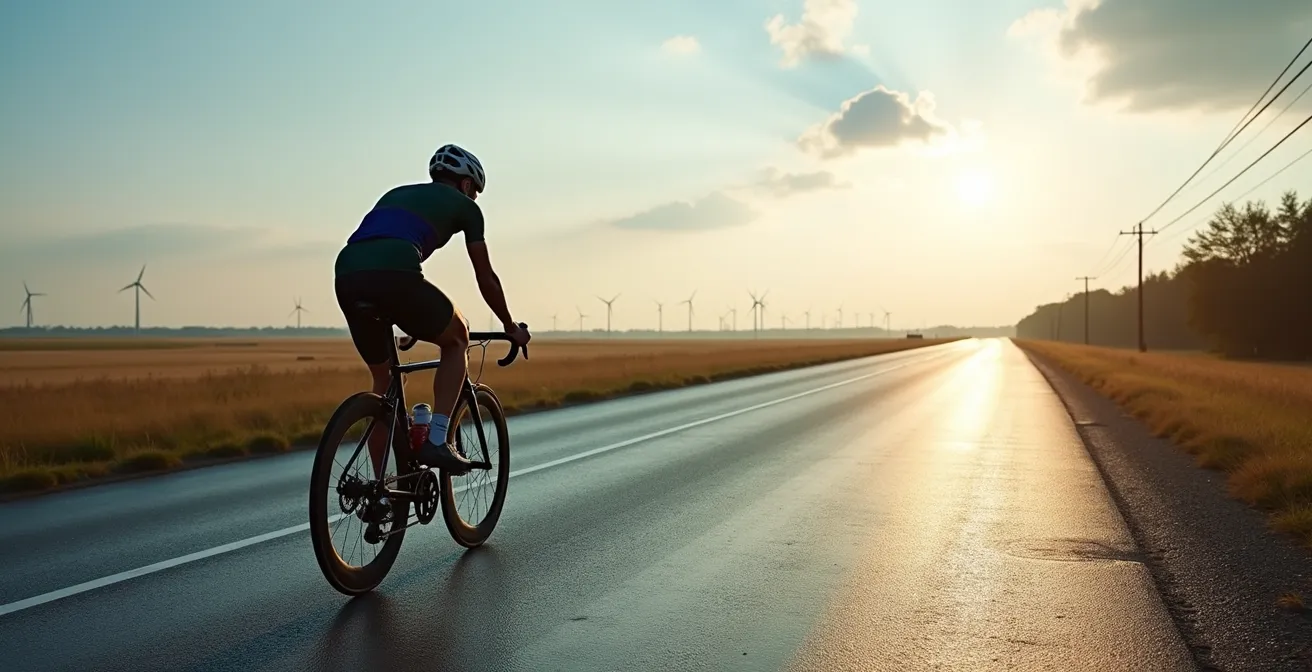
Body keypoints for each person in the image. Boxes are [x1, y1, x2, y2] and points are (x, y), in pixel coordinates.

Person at [334, 143, 530, 475]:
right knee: (457, 338)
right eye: (475, 192)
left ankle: (380, 491)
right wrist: (510, 326)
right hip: (395, 273)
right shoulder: (466, 208)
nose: (474, 199)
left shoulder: (396, 194)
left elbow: (385, 251)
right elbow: (485, 276)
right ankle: (437, 440)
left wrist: (411, 321)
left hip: (347, 273)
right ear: (467, 185)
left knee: (382, 383)